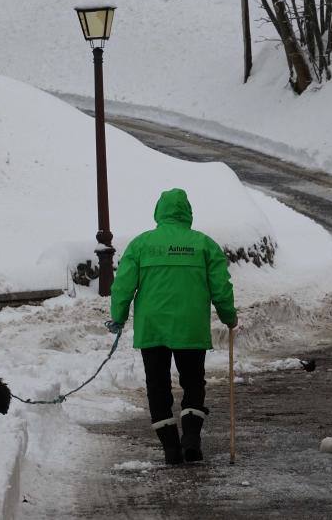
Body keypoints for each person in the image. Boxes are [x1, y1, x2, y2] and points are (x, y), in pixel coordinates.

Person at [106, 188, 237, 465]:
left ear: (159, 212)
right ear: (188, 213)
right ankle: (190, 439)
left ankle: (170, 449)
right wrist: (229, 316)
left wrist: (118, 317)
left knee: (157, 386)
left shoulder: (142, 245)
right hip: (190, 329)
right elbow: (221, 287)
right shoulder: (204, 245)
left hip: (152, 329)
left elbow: (122, 287)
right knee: (193, 383)